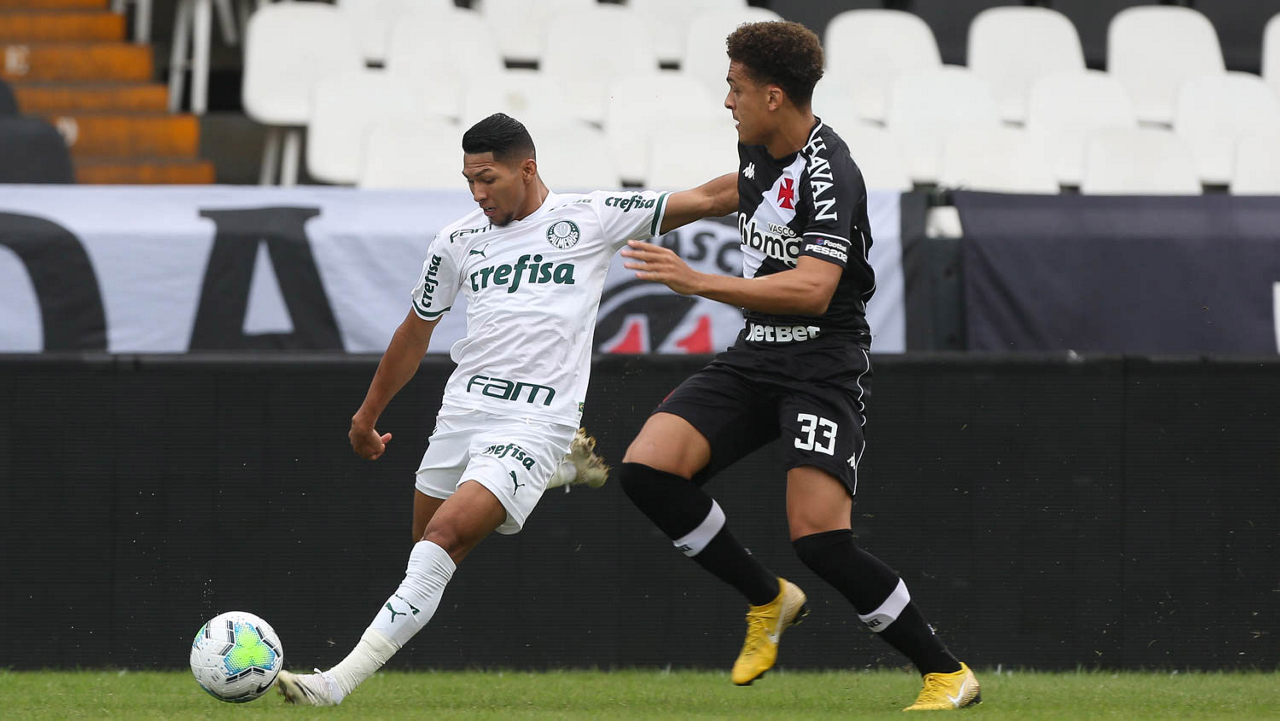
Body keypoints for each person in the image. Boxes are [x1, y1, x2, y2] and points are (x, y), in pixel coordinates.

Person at [277, 113, 738, 706]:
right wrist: (366, 416)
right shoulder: (456, 241)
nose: (477, 192)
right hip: (463, 411)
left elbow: (708, 198)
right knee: (426, 547)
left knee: (443, 537)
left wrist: (789, 167)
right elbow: (415, 332)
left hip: (536, 419)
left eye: (487, 179)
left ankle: (333, 684)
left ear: (527, 169)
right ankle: (555, 471)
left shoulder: (591, 217)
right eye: (469, 180)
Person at [617, 21, 981, 711]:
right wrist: (632, 219)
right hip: (757, 351)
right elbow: (732, 191)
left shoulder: (831, 171)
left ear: (774, 96)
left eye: (736, 88)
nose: (728, 101)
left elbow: (813, 289)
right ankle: (768, 598)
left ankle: (946, 672)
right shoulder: (759, 143)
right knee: (646, 470)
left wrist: (696, 281)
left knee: (820, 542)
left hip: (820, 362)